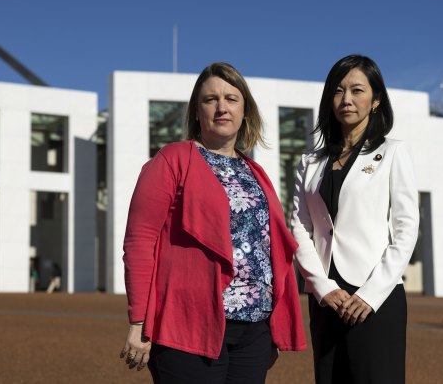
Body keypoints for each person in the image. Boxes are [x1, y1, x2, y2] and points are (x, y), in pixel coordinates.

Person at [119, 62, 306, 383]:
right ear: (196, 112)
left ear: (245, 110)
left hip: (254, 331)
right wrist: (139, 322)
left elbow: (271, 249)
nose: (222, 107)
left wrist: (273, 326)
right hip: (189, 324)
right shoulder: (172, 159)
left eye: (232, 99)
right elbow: (139, 241)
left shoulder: (255, 173)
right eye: (210, 99)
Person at [291, 54, 419, 383]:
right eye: (338, 90)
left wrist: (370, 294)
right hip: (327, 299)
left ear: (376, 101)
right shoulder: (310, 162)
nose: (346, 99)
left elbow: (406, 230)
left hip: (375, 297)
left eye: (357, 90)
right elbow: (300, 229)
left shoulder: (392, 152)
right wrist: (321, 288)